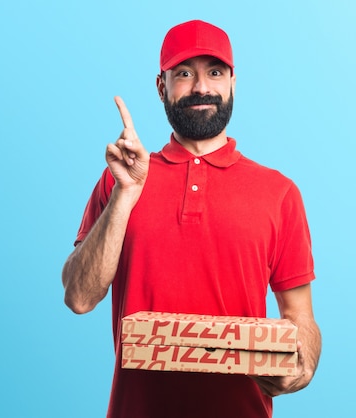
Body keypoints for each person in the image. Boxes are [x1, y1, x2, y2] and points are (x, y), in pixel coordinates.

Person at [62, 19, 321, 418]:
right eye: (184, 74)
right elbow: (79, 297)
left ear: (233, 82)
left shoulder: (279, 192)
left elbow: (301, 318)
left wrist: (299, 368)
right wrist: (125, 195)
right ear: (161, 86)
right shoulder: (121, 179)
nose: (202, 87)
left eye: (214, 73)